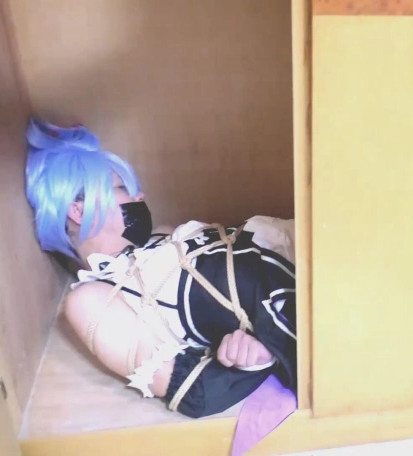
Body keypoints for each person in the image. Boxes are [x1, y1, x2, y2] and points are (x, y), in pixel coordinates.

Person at [24, 119, 297, 418]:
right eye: (122, 188)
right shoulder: (92, 300)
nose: (140, 196)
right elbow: (192, 391)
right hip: (306, 306)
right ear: (78, 210)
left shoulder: (162, 236)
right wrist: (254, 360)